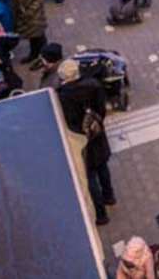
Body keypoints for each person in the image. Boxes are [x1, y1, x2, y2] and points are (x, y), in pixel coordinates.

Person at [57, 58, 116, 225]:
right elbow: (101, 109)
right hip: (96, 133)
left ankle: (101, 214)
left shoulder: (62, 96)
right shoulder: (93, 85)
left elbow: (67, 121)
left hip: (80, 139)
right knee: (102, 166)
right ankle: (109, 196)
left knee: (89, 176)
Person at [10, 0, 49, 66]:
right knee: (33, 38)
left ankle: (42, 59)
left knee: (39, 37)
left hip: (33, 16)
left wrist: (28, 12)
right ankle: (34, 55)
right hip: (23, 13)